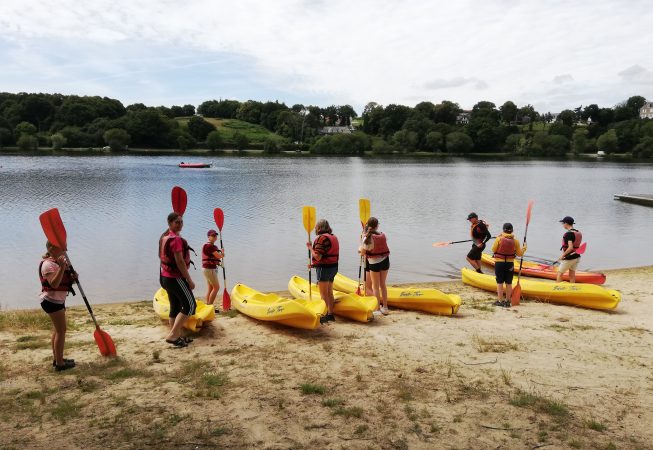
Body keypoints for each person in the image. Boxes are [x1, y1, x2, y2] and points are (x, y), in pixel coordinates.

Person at [159, 212, 197, 347]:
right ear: (170, 224)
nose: (180, 224)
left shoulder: (165, 236)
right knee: (191, 305)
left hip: (165, 278)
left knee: (175, 306)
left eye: (181, 222)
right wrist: (189, 280)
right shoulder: (175, 240)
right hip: (175, 278)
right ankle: (173, 335)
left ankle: (177, 336)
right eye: (177, 222)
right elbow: (180, 262)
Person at [39, 241, 77, 371]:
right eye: (62, 248)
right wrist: (61, 267)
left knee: (57, 330)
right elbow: (54, 284)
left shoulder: (58, 263)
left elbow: (64, 281)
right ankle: (60, 364)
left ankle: (57, 359)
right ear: (51, 249)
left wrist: (73, 278)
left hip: (58, 301)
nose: (64, 250)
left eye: (64, 248)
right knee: (61, 331)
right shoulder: (47, 265)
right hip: (51, 301)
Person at [306, 219, 339, 324]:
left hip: (324, 269)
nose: (315, 229)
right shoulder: (333, 237)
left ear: (319, 228)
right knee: (329, 293)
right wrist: (313, 265)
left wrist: (310, 247)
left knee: (323, 294)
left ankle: (323, 316)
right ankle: (330, 314)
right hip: (333, 268)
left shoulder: (321, 239)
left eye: (316, 227)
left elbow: (318, 257)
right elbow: (326, 255)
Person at [360, 217, 391, 315]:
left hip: (374, 263)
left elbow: (363, 252)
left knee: (375, 287)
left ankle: (377, 309)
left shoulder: (367, 238)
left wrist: (361, 240)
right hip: (385, 261)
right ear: (377, 225)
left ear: (368, 226)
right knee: (383, 285)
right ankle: (385, 308)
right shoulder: (383, 234)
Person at [491, 223, 526, 307]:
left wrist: (498, 238)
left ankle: (500, 301)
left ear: (503, 230)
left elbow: (493, 249)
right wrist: (524, 248)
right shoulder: (516, 241)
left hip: (499, 263)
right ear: (512, 231)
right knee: (508, 282)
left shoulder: (499, 239)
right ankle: (508, 300)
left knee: (499, 282)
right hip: (510, 264)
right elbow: (519, 254)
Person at [202, 229, 224, 310]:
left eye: (215, 235)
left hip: (206, 269)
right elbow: (219, 256)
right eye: (213, 235)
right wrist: (222, 253)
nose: (215, 237)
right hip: (209, 269)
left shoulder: (208, 245)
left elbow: (214, 257)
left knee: (210, 288)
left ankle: (207, 306)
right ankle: (210, 307)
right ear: (208, 237)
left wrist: (218, 261)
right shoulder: (210, 246)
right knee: (216, 287)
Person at [557, 216, 582, 283]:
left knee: (559, 273)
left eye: (563, 223)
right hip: (577, 256)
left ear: (566, 223)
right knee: (572, 274)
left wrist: (562, 256)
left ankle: (557, 289)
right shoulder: (578, 232)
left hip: (569, 257)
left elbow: (570, 247)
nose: (562, 225)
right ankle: (572, 287)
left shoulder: (569, 234)